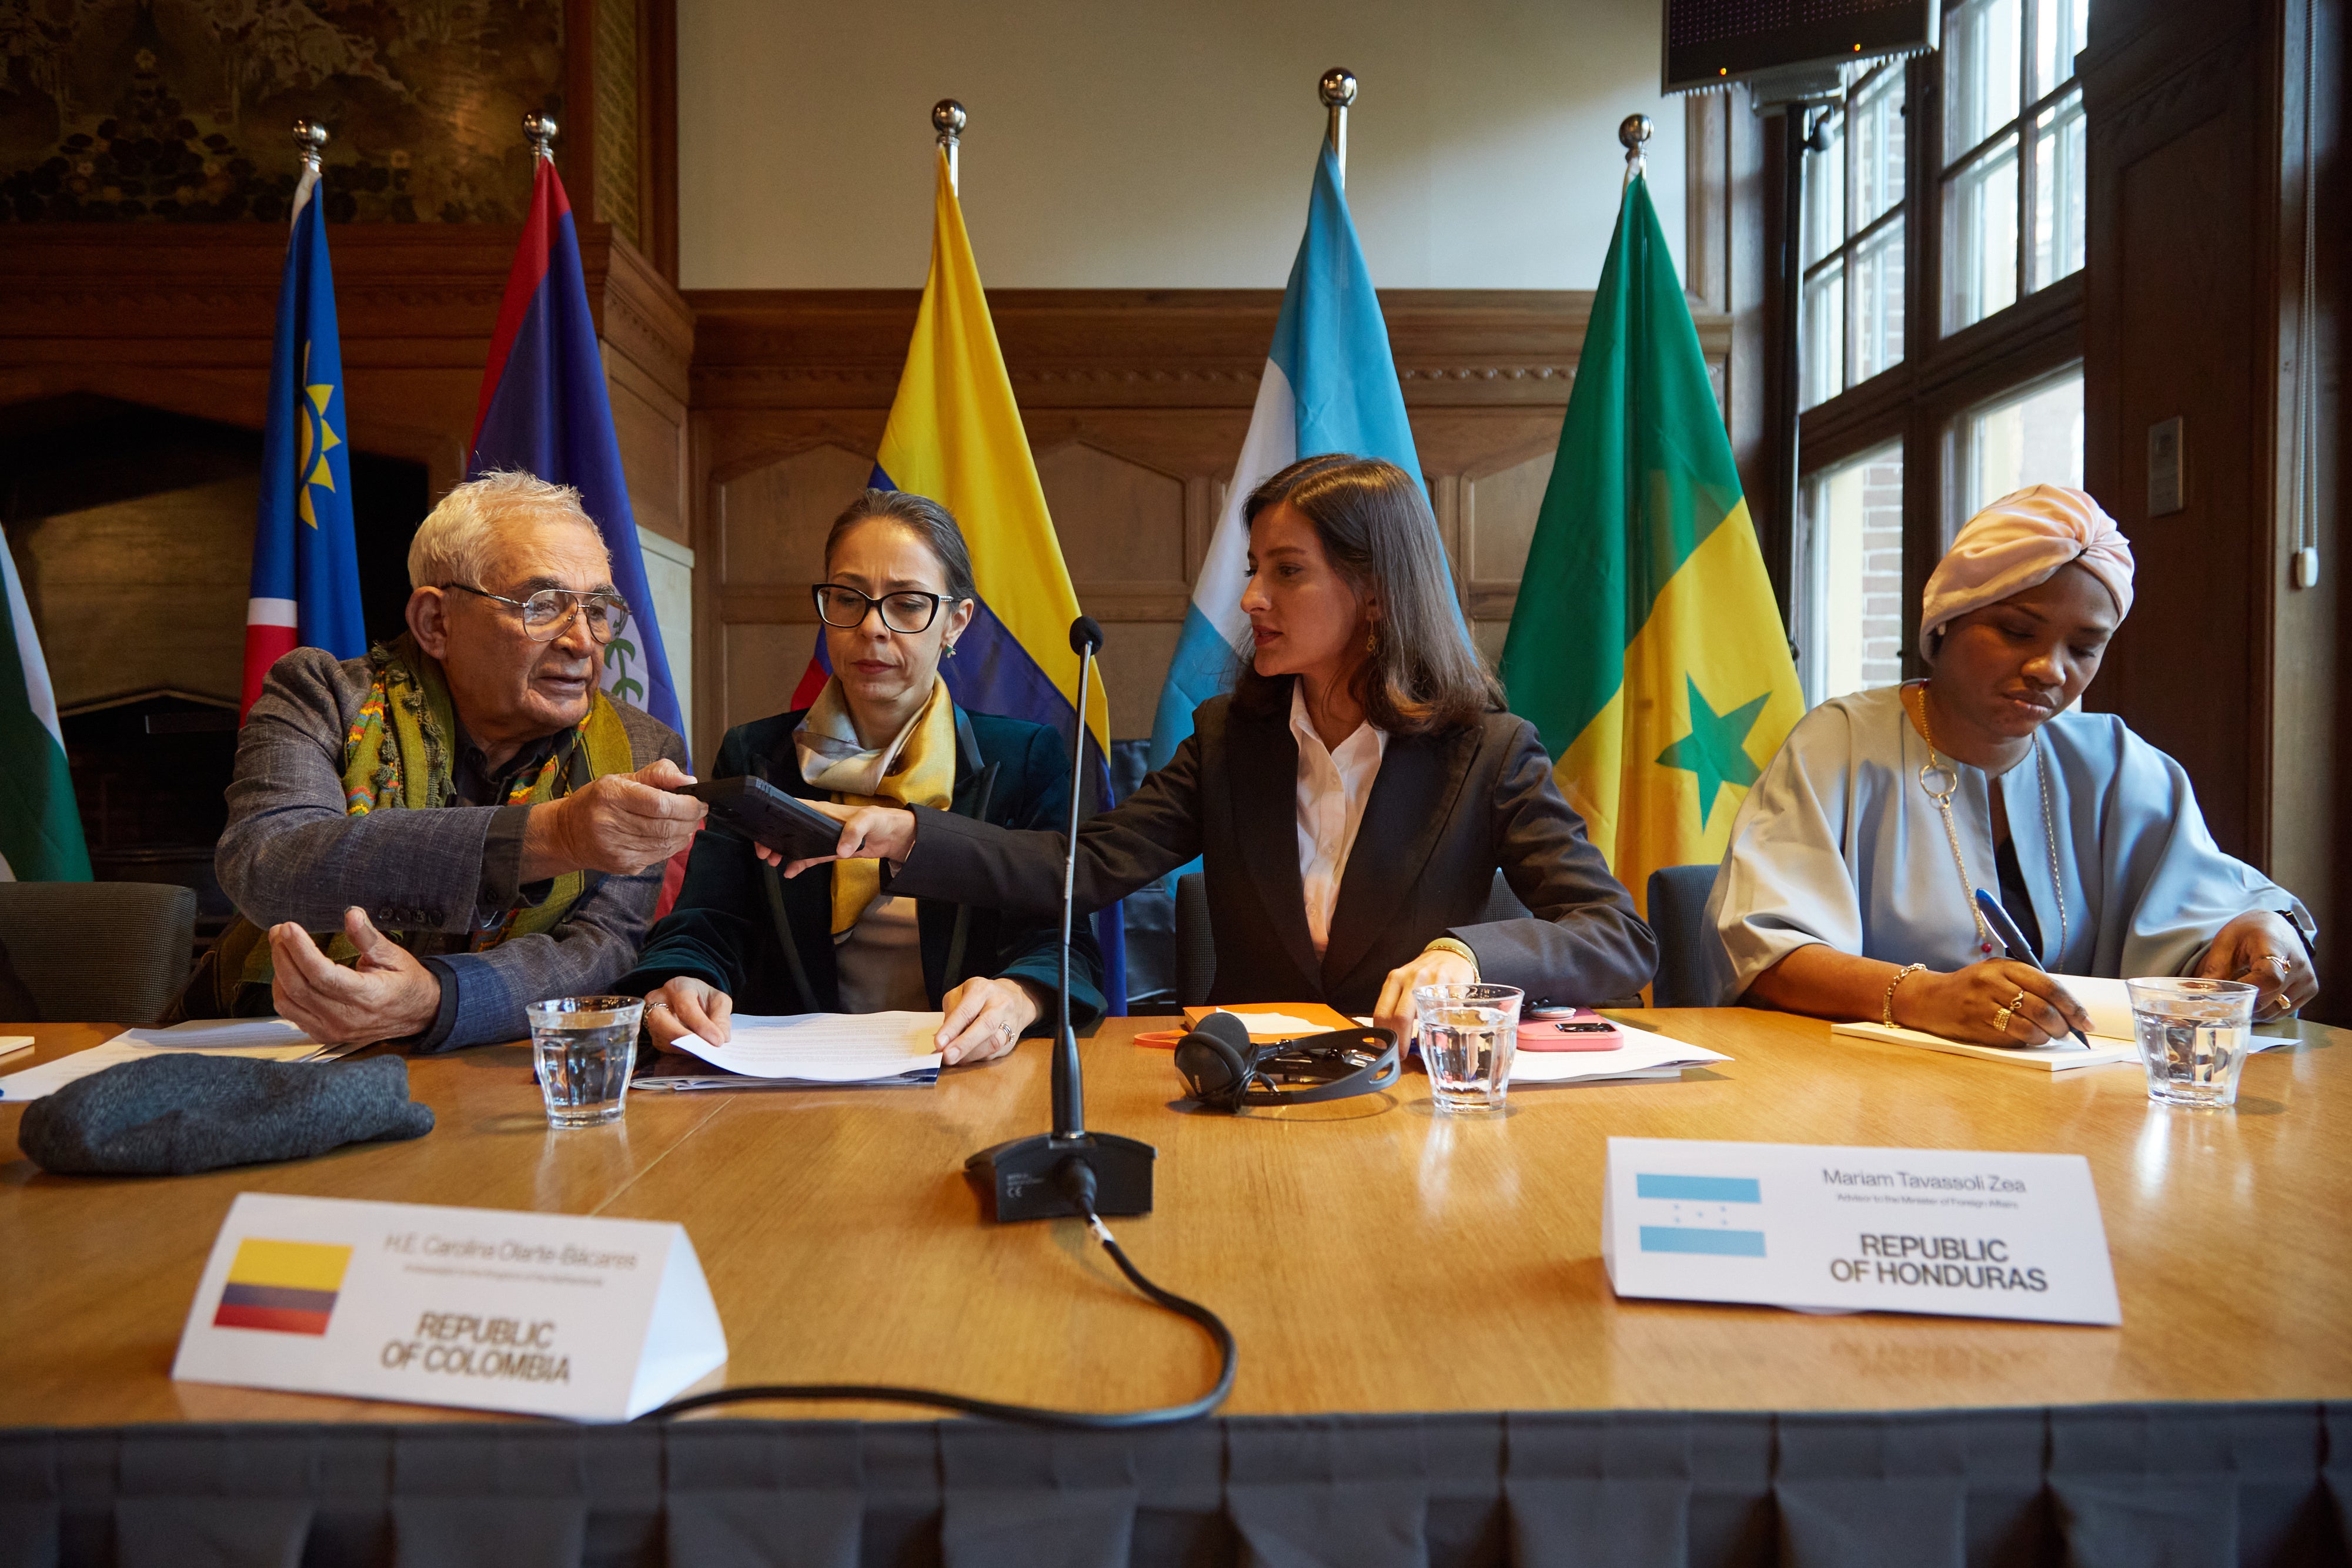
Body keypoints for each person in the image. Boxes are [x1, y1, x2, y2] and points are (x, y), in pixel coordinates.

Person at [764, 454, 1657, 1039]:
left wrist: (1465, 955)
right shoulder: (1231, 741)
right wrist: (904, 835)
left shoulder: (1489, 752)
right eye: (1253, 571)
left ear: (1376, 592)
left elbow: (1618, 937)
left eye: (1287, 570)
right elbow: (1086, 862)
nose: (1253, 600)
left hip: (1417, 1109)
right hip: (1253, 1104)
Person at [1705, 484, 2318, 1041]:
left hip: (2078, 1102)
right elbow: (1762, 952)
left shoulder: (2113, 762)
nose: (2050, 670)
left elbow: (2217, 908)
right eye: (2017, 631)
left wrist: (2265, 938)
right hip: (1868, 1100)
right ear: (1945, 621)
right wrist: (1924, 996)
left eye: (2083, 648)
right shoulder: (1835, 745)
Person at [209, 471, 703, 1049]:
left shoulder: (643, 751)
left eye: (597, 609)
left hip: (488, 1061)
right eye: (543, 605)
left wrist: (437, 999)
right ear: (435, 623)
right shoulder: (320, 695)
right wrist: (554, 835)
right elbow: (271, 866)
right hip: (272, 1039)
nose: (584, 641)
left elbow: (602, 950)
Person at [620, 490, 1102, 1066]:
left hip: (965, 1073)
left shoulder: (1023, 759)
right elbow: (711, 918)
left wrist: (1018, 998)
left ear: (956, 621)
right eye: (849, 599)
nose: (872, 627)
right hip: (792, 1080)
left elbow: (1059, 940)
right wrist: (683, 977)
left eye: (906, 604)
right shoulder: (757, 755)